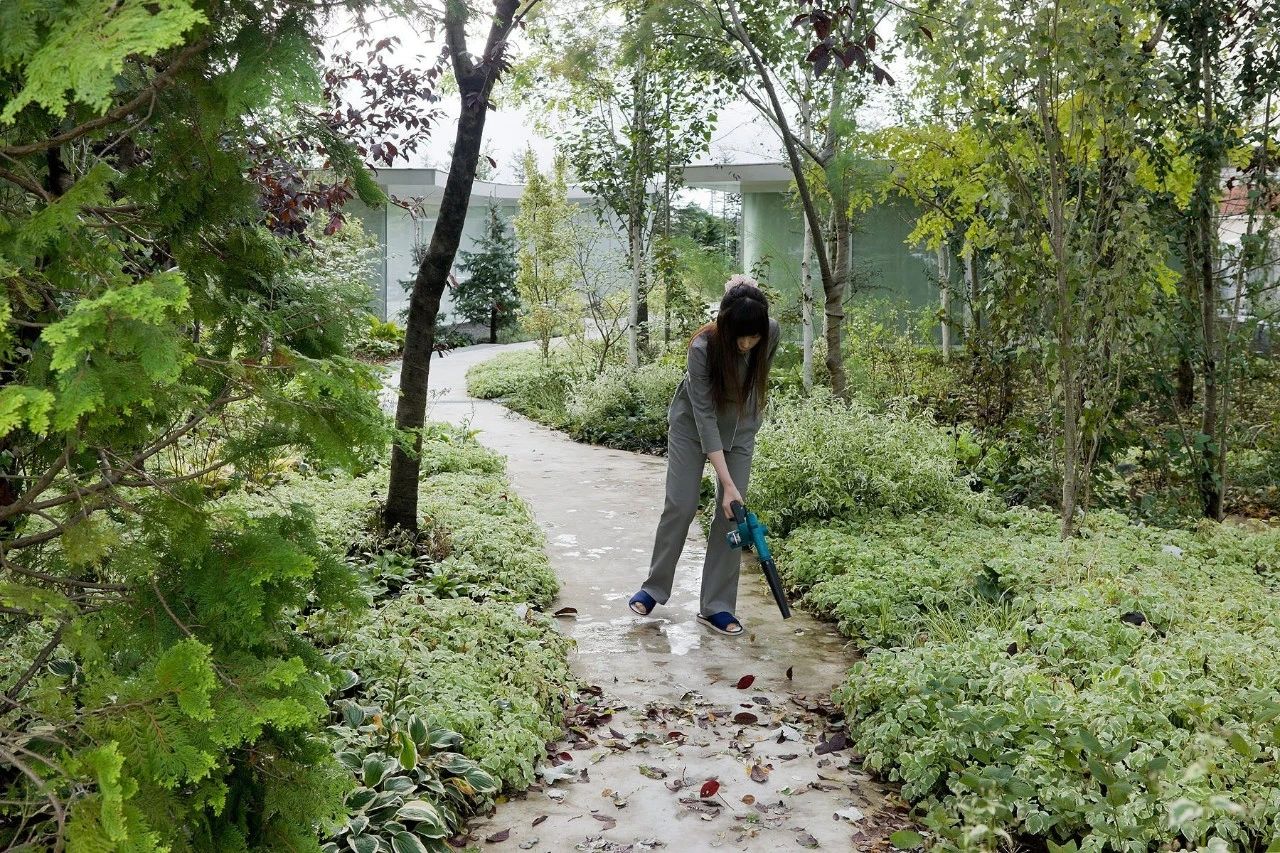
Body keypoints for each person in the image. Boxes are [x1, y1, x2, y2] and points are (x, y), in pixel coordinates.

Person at [628, 276, 780, 636]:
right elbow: (705, 417)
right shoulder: (702, 347)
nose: (746, 344)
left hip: (741, 429)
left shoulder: (769, 331)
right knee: (681, 505)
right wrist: (726, 481)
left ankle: (716, 606)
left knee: (732, 516)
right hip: (692, 427)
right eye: (739, 336)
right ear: (724, 327)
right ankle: (654, 587)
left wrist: (730, 488)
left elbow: (756, 379)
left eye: (753, 336)